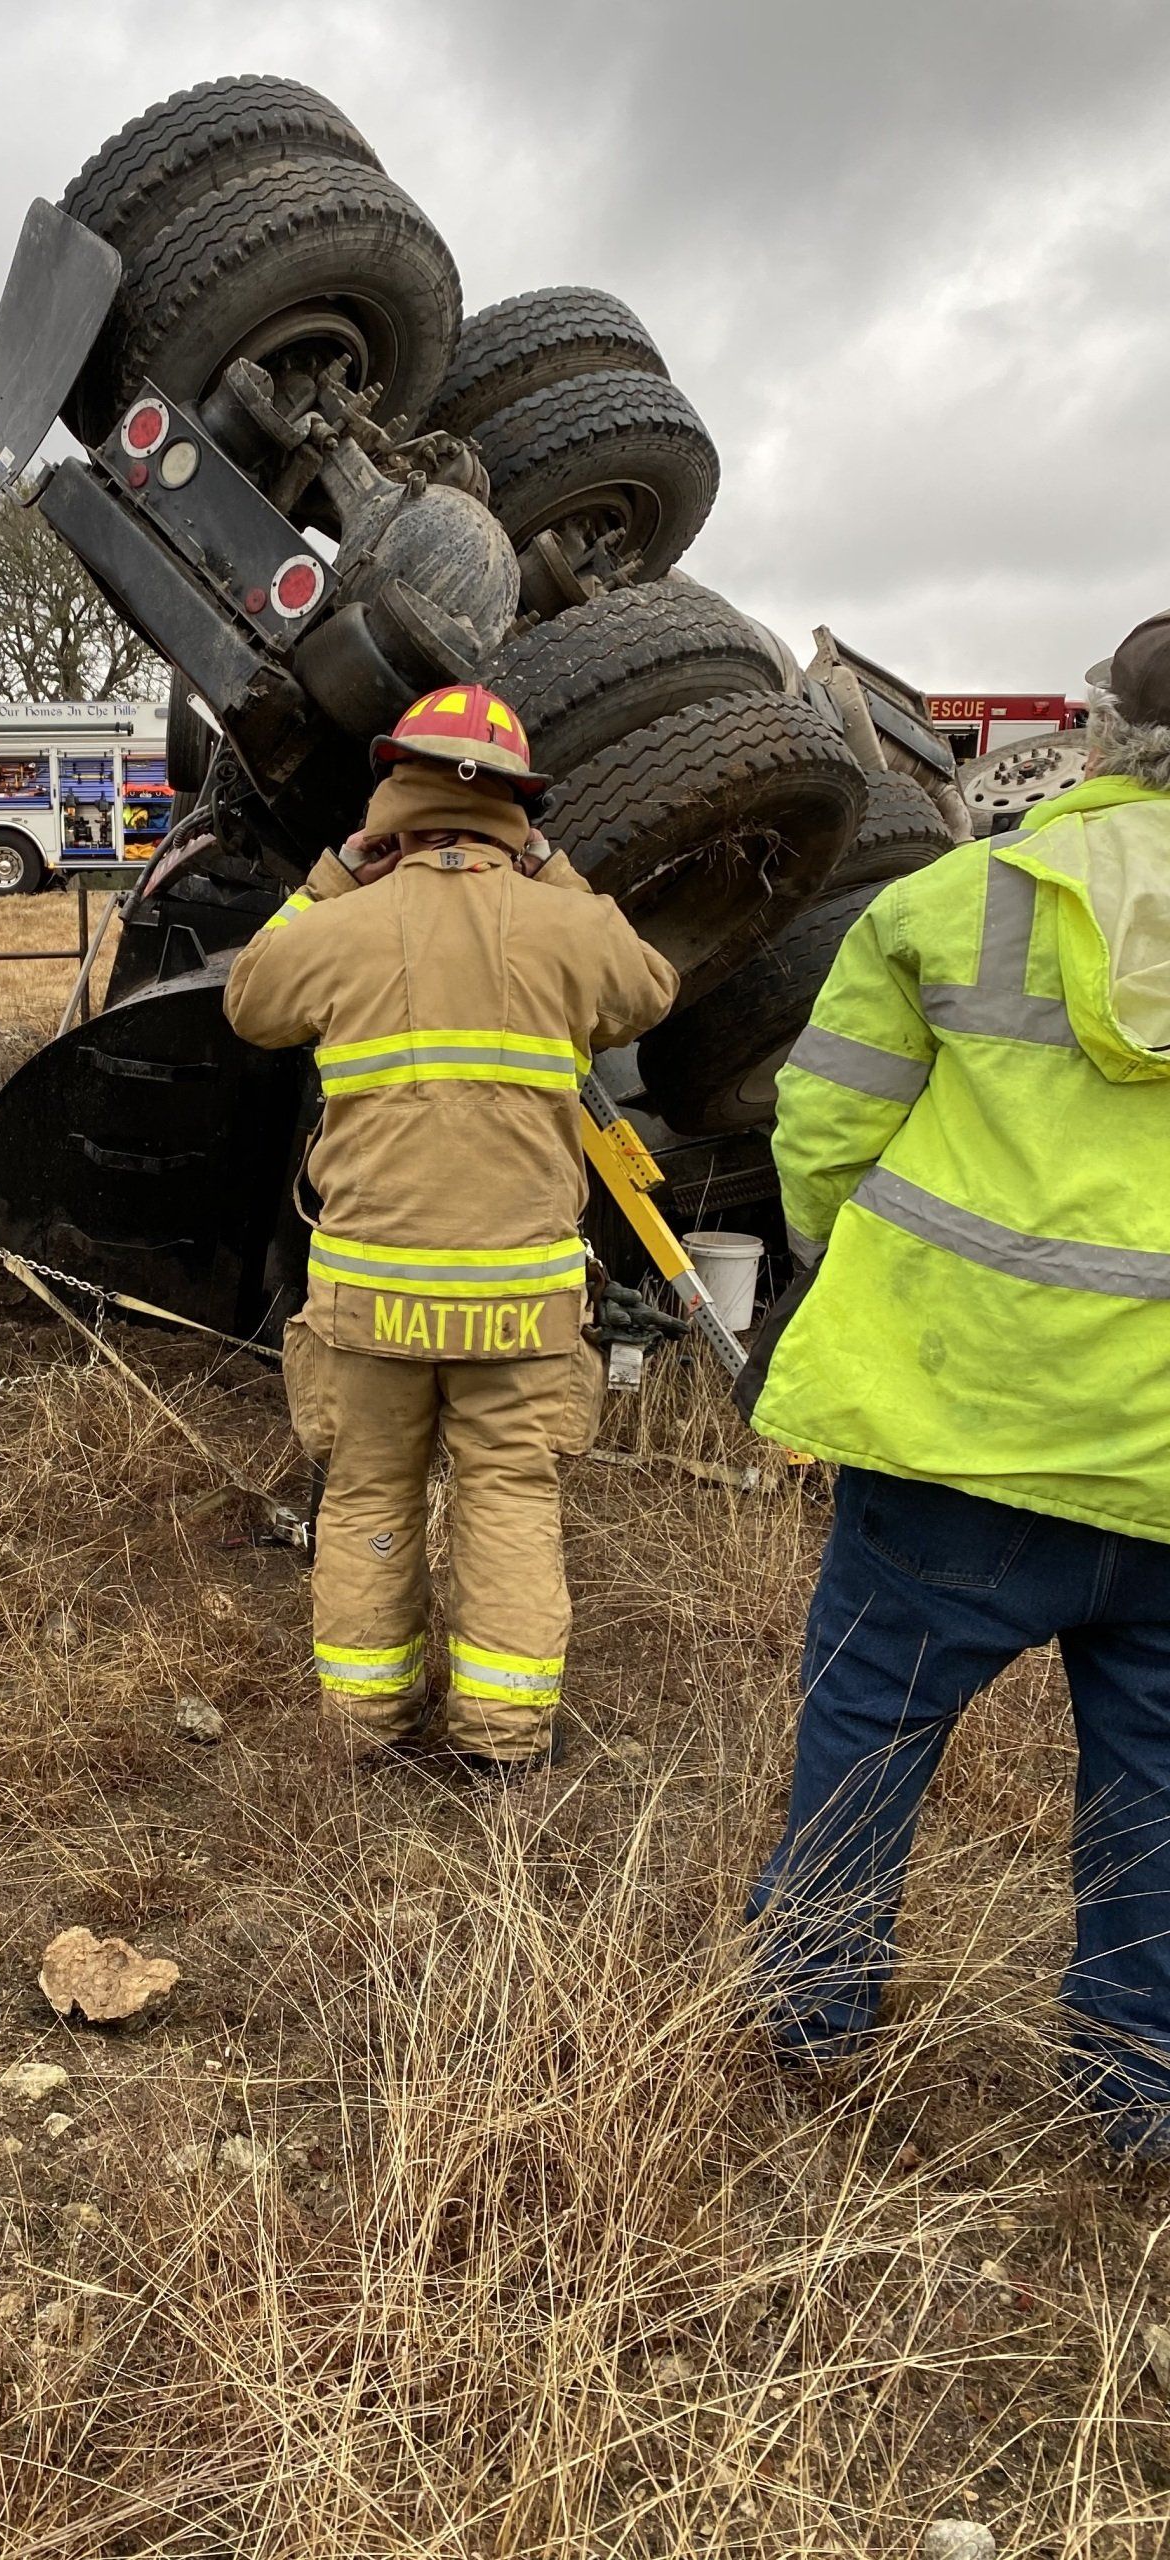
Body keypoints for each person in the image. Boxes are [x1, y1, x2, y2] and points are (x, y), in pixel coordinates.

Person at [742, 611, 1170, 2153]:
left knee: (871, 1718)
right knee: (1163, 1783)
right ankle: (1139, 2091)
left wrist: (849, 1268)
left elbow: (824, 1134)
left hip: (958, 1437)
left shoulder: (953, 903)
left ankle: (810, 2015)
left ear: (1101, 728)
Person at [224, 684, 678, 1771]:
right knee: (511, 1500)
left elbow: (248, 999)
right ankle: (502, 1741)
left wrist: (332, 874)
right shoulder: (569, 922)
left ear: (395, 793)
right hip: (519, 1305)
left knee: (370, 1495)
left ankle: (366, 1726)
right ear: (519, 808)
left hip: (369, 1302)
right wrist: (551, 873)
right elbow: (649, 986)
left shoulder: (341, 924)